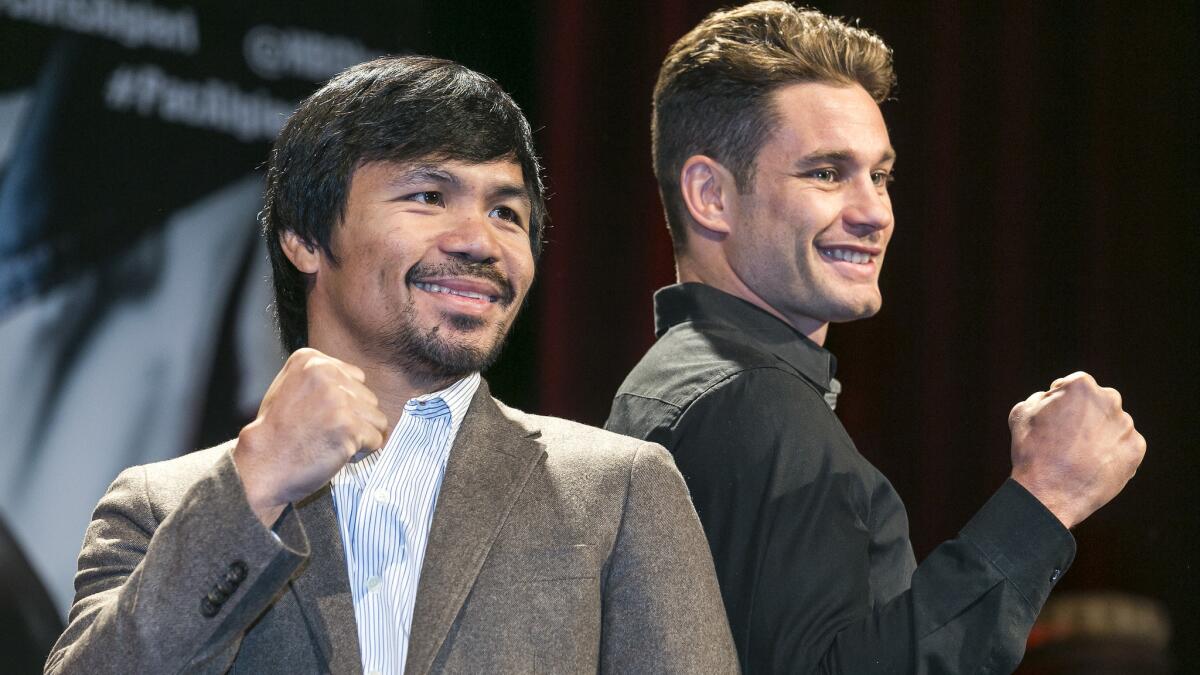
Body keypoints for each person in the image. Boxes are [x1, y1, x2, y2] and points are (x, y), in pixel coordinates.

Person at [46, 55, 738, 674]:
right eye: (428, 197)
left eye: (506, 211)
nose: (479, 241)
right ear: (304, 237)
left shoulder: (618, 491)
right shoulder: (159, 505)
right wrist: (253, 486)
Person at [605, 3, 1146, 673]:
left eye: (880, 175)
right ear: (710, 195)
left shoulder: (668, 383)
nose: (873, 213)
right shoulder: (757, 406)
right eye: (826, 173)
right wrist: (1046, 497)